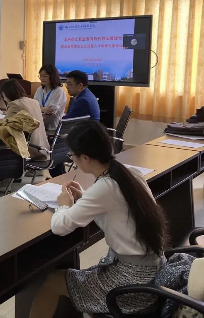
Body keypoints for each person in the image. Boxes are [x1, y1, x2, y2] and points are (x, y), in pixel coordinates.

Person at [29, 121, 167, 318]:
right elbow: (115, 203)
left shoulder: (105, 187)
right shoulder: (130, 173)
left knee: (53, 281)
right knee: (76, 279)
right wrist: (84, 197)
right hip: (153, 271)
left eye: (72, 155)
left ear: (85, 158)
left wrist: (64, 204)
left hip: (134, 283)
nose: (72, 159)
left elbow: (59, 227)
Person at [0, 79, 49, 161]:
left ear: (6, 93)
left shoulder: (15, 104)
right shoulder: (34, 102)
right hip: (43, 149)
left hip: (31, 151)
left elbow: (2, 127)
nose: (4, 99)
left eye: (3, 96)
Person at [34, 64, 67, 131]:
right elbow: (33, 106)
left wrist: (40, 108)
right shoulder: (40, 89)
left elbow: (52, 111)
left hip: (53, 127)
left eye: (45, 76)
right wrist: (43, 109)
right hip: (40, 122)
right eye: (40, 76)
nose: (42, 78)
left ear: (52, 76)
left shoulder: (59, 90)